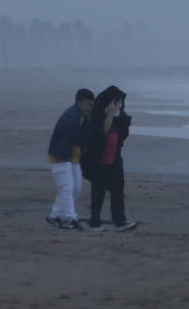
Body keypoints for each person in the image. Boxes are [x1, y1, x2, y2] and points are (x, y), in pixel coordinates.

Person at [83, 84, 137, 231]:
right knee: (98, 193)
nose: (118, 105)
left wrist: (119, 119)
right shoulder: (96, 116)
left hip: (115, 159)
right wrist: (110, 115)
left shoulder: (121, 117)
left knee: (118, 190)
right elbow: (101, 134)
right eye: (116, 102)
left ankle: (120, 221)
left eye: (120, 102)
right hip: (98, 161)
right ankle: (95, 222)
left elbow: (122, 135)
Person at [46, 88, 93, 230]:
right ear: (79, 102)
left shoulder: (81, 115)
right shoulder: (70, 118)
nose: (90, 108)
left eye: (92, 105)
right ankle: (70, 218)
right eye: (88, 104)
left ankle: (54, 216)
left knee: (75, 188)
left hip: (72, 158)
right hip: (61, 156)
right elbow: (78, 138)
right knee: (66, 189)